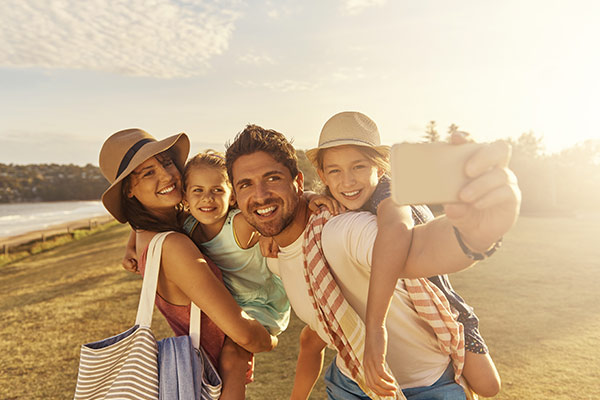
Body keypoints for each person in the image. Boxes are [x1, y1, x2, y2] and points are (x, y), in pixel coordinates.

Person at [224, 124, 520, 399]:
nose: (260, 195)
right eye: (246, 185)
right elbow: (318, 329)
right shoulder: (275, 257)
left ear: (298, 181)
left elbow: (416, 249)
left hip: (426, 389)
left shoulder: (340, 230)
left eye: (272, 178)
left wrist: (475, 236)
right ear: (236, 196)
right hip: (348, 384)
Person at [303, 111, 501, 398]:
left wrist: (375, 329)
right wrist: (309, 198)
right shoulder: (333, 199)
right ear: (322, 175)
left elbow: (395, 229)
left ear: (379, 168)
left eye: (359, 167)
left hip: (444, 303)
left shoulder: (391, 193)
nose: (347, 181)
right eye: (335, 171)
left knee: (487, 386)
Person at [98, 128, 277, 399]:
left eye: (166, 162)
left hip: (204, 377)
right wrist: (270, 339)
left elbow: (141, 223)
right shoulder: (174, 246)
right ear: (129, 191)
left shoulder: (150, 237)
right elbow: (246, 336)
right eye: (148, 173)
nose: (167, 175)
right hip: (215, 382)